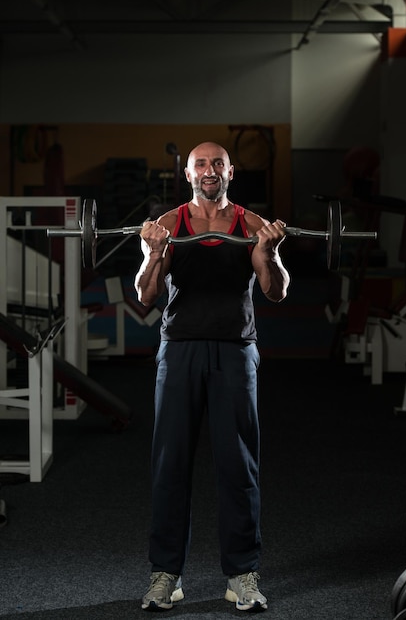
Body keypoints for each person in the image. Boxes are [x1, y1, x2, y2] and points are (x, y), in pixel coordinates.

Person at [134, 141, 290, 612]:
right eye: (200, 164)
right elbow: (145, 294)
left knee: (238, 465)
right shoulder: (165, 225)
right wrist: (155, 252)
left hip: (236, 351)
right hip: (178, 350)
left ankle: (242, 575)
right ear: (188, 174)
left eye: (216, 164)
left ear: (230, 171)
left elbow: (275, 291)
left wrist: (272, 251)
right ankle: (166, 575)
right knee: (170, 464)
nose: (209, 171)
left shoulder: (252, 225)